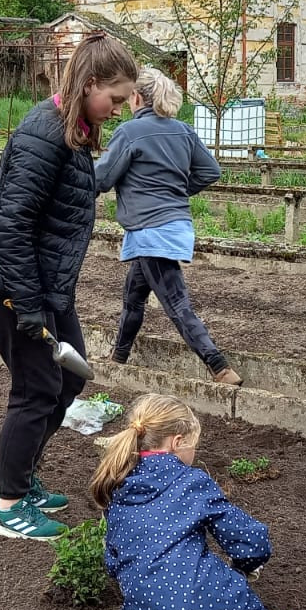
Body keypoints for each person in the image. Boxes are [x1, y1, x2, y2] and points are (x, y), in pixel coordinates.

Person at [0, 33, 139, 541]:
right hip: (9, 287)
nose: (118, 111)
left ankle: (19, 479)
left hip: (41, 286)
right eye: (116, 99)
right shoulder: (46, 134)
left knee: (70, 380)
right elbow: (14, 225)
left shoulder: (73, 128)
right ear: (89, 84)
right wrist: (30, 307)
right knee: (37, 388)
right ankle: (7, 504)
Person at [90, 393, 299, 610]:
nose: (194, 455)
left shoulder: (118, 488)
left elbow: (113, 563)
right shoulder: (191, 481)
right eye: (193, 446)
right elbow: (252, 541)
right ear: (177, 442)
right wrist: (243, 566)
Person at [95, 67, 241, 385]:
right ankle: (117, 359)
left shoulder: (130, 132)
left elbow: (102, 178)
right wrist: (177, 192)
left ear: (136, 96)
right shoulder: (183, 131)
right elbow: (210, 171)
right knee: (133, 298)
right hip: (172, 228)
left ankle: (220, 368)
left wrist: (71, 176)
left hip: (150, 232)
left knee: (176, 304)